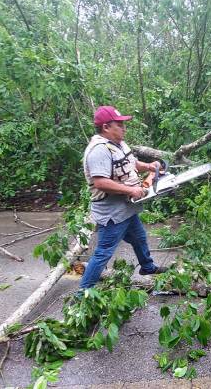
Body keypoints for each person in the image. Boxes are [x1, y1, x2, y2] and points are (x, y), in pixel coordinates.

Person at [79, 105, 167, 289]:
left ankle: (147, 267)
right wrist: (131, 191)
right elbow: (100, 182)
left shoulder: (118, 144)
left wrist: (150, 167)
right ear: (106, 127)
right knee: (103, 253)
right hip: (113, 212)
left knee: (139, 237)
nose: (124, 128)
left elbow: (131, 163)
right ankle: (83, 295)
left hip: (127, 208)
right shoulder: (99, 150)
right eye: (119, 124)